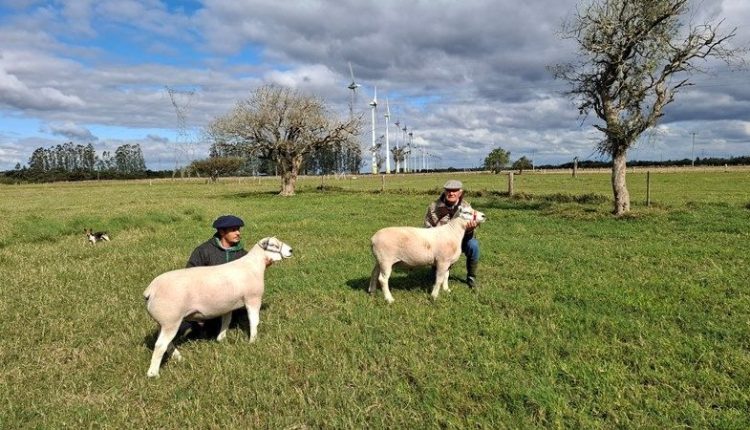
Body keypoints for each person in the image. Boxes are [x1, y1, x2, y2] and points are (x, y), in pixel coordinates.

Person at [180, 214, 248, 337]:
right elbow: (189, 274)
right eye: (233, 230)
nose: (238, 233)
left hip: (231, 302)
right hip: (205, 299)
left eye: (238, 229)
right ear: (222, 232)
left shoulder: (243, 255)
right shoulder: (204, 251)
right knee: (186, 327)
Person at [424, 180, 481, 288]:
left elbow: (473, 234)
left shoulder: (466, 207)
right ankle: (436, 266)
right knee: (434, 276)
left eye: (455, 191)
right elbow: (427, 229)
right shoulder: (433, 207)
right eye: (448, 191)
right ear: (445, 192)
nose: (451, 193)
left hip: (460, 241)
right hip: (439, 244)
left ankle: (471, 277)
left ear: (460, 192)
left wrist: (470, 229)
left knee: (473, 245)